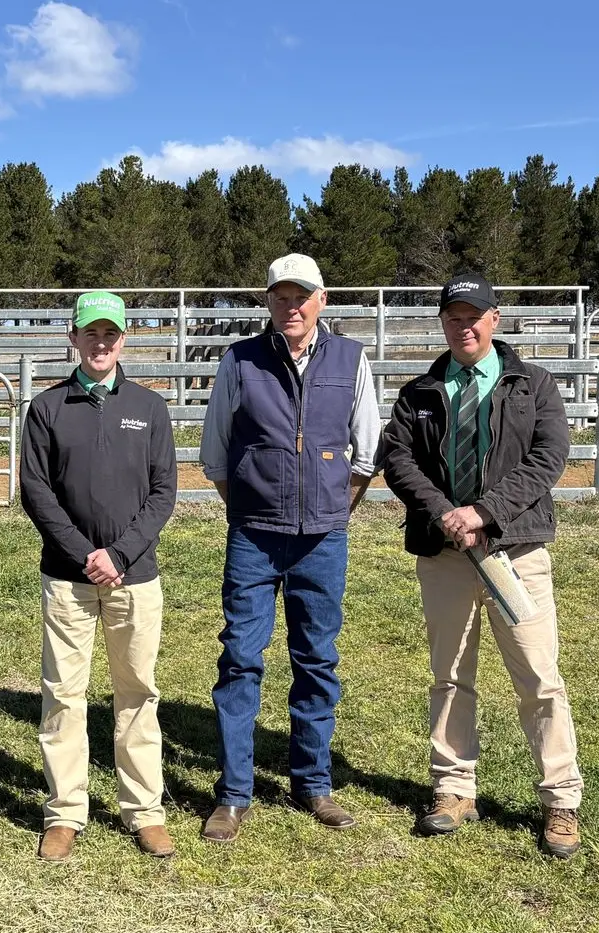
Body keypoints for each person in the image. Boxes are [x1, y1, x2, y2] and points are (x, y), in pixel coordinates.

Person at [378, 272, 584, 858]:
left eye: (474, 317)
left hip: (513, 551)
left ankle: (560, 800)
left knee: (538, 676)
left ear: (495, 319)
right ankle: (453, 788)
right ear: (442, 323)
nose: (463, 327)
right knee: (449, 675)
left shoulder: (533, 384)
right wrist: (446, 514)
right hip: (446, 553)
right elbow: (398, 459)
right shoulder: (420, 391)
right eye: (453, 317)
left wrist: (485, 512)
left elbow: (549, 456)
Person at [198, 253, 380, 841]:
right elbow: (215, 452)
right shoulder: (240, 360)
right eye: (280, 297)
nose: (291, 307)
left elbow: (366, 453)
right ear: (268, 301)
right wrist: (250, 507)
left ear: (322, 300)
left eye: (302, 297)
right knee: (240, 657)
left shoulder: (351, 359)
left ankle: (313, 783)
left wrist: (331, 511)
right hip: (253, 536)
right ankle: (234, 793)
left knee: (317, 659)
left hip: (322, 539)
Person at [19, 290, 179, 862]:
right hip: (69, 579)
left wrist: (121, 554)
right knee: (64, 694)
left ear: (123, 340)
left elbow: (164, 492)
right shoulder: (47, 408)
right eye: (91, 332)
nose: (101, 343)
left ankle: (144, 810)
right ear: (74, 337)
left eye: (110, 333)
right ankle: (65, 812)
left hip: (135, 578)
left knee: (137, 692)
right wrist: (86, 553)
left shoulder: (149, 407)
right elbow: (36, 491)